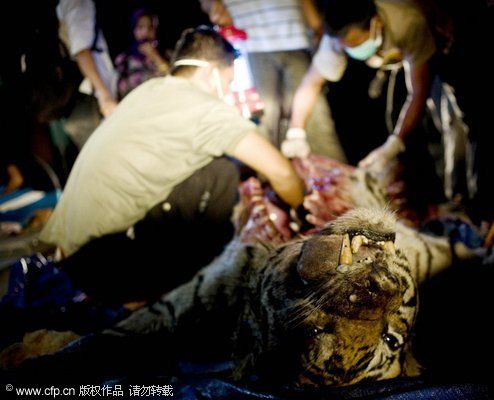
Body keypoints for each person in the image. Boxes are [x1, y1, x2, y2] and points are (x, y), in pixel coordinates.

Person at [40, 27, 305, 303]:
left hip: (72, 257)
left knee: (203, 167)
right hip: (105, 267)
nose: (226, 92)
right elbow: (281, 172)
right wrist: (302, 212)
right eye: (228, 82)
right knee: (220, 173)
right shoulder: (205, 108)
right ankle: (192, 284)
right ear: (210, 72)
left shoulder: (148, 90)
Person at [287, 0, 468, 215]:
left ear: (376, 23)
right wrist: (296, 131)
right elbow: (310, 84)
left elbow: (419, 91)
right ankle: (421, 202)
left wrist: (395, 143)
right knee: (397, 120)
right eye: (347, 47)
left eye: (356, 44)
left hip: (442, 42)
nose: (352, 50)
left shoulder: (408, 21)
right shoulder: (335, 38)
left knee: (457, 120)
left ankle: (463, 199)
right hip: (395, 57)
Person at [200, 0, 346, 162]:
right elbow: (209, 5)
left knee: (313, 118)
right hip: (249, 43)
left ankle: (335, 173)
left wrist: (317, 26)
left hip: (293, 36)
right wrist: (215, 8)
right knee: (263, 120)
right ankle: (271, 174)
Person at [56, 0, 119, 148]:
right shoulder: (77, 2)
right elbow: (81, 51)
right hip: (95, 92)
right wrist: (104, 96)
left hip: (90, 91)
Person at [115, 8, 170, 100]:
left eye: (150, 27)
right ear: (133, 30)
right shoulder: (123, 60)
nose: (146, 32)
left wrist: (156, 57)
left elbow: (174, 81)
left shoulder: (167, 55)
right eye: (140, 27)